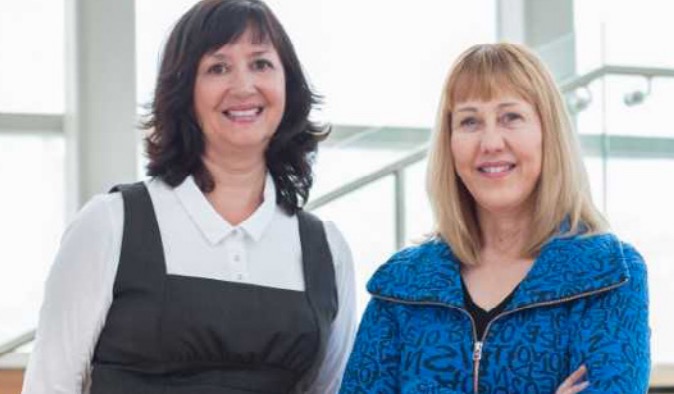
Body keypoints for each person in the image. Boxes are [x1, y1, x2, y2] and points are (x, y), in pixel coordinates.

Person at [22, 0, 356, 393]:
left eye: (261, 63)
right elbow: (49, 384)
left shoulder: (325, 250)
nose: (244, 86)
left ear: (289, 85)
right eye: (218, 67)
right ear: (184, 92)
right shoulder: (110, 224)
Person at [339, 43, 650, 394]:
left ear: (548, 133)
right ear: (450, 142)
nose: (490, 142)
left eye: (510, 117)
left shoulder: (609, 274)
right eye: (469, 121)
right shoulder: (400, 285)